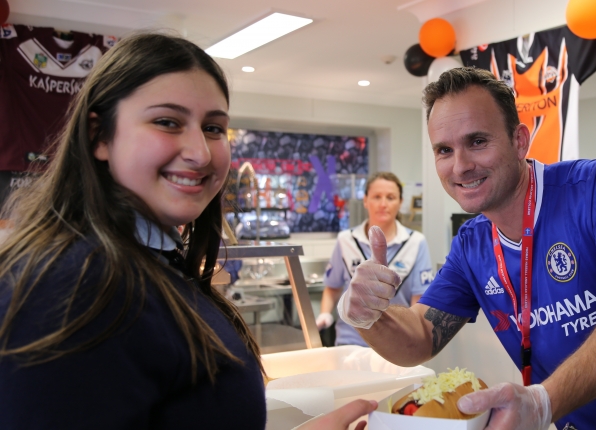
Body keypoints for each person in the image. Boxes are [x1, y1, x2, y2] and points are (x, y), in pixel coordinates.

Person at [337, 67, 596, 430]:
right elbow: (421, 338)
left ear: (520, 140)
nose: (460, 165)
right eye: (444, 150)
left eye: (478, 141)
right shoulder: (472, 245)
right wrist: (369, 316)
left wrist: (543, 401)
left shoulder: (595, 188)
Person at [0, 32, 374, 430]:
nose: (200, 153)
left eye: (214, 128)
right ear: (99, 136)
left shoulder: (149, 263)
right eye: (167, 122)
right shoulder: (70, 284)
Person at [316, 172, 433, 346]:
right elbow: (332, 288)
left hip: (396, 342)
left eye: (391, 197)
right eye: (377, 197)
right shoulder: (346, 240)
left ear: (400, 202)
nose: (383, 204)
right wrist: (325, 313)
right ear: (365, 200)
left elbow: (419, 299)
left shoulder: (416, 242)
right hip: (351, 341)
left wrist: (416, 335)